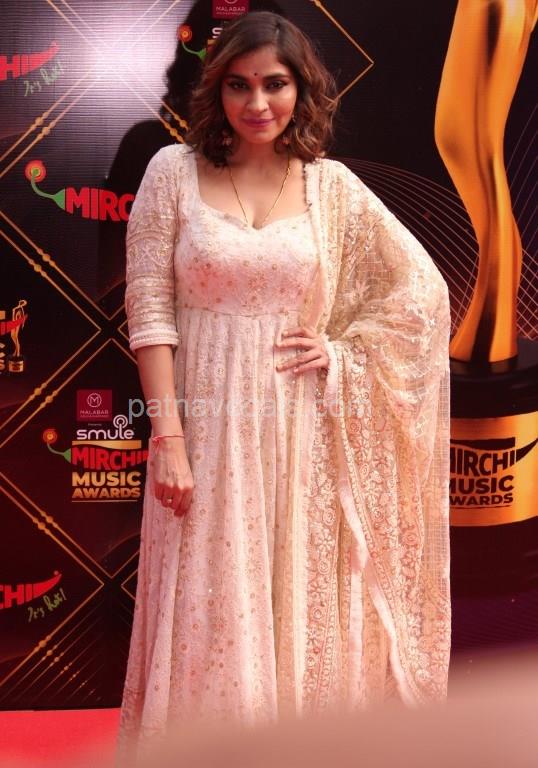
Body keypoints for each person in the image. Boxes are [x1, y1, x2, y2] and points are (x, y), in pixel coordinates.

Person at [117, 10, 451, 763]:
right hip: (204, 426)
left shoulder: (331, 188)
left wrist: (344, 353)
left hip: (299, 430)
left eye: (275, 84)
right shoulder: (171, 172)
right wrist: (168, 439)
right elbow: (151, 310)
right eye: (239, 85)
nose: (257, 102)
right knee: (207, 602)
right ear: (216, 91)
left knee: (291, 596)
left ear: (302, 90)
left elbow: (422, 296)